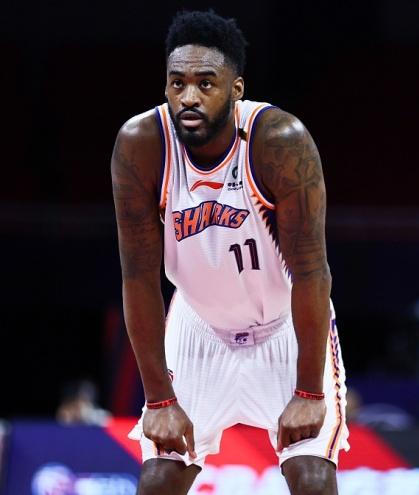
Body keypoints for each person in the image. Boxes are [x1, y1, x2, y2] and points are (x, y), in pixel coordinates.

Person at [110, 10, 348, 495]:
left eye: (205, 83)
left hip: (287, 327)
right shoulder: (142, 145)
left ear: (236, 89)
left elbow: (312, 273)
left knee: (312, 480)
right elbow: (138, 277)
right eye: (177, 83)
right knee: (158, 481)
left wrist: (308, 391)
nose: (188, 97)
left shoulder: (279, 141)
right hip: (199, 328)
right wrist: (158, 400)